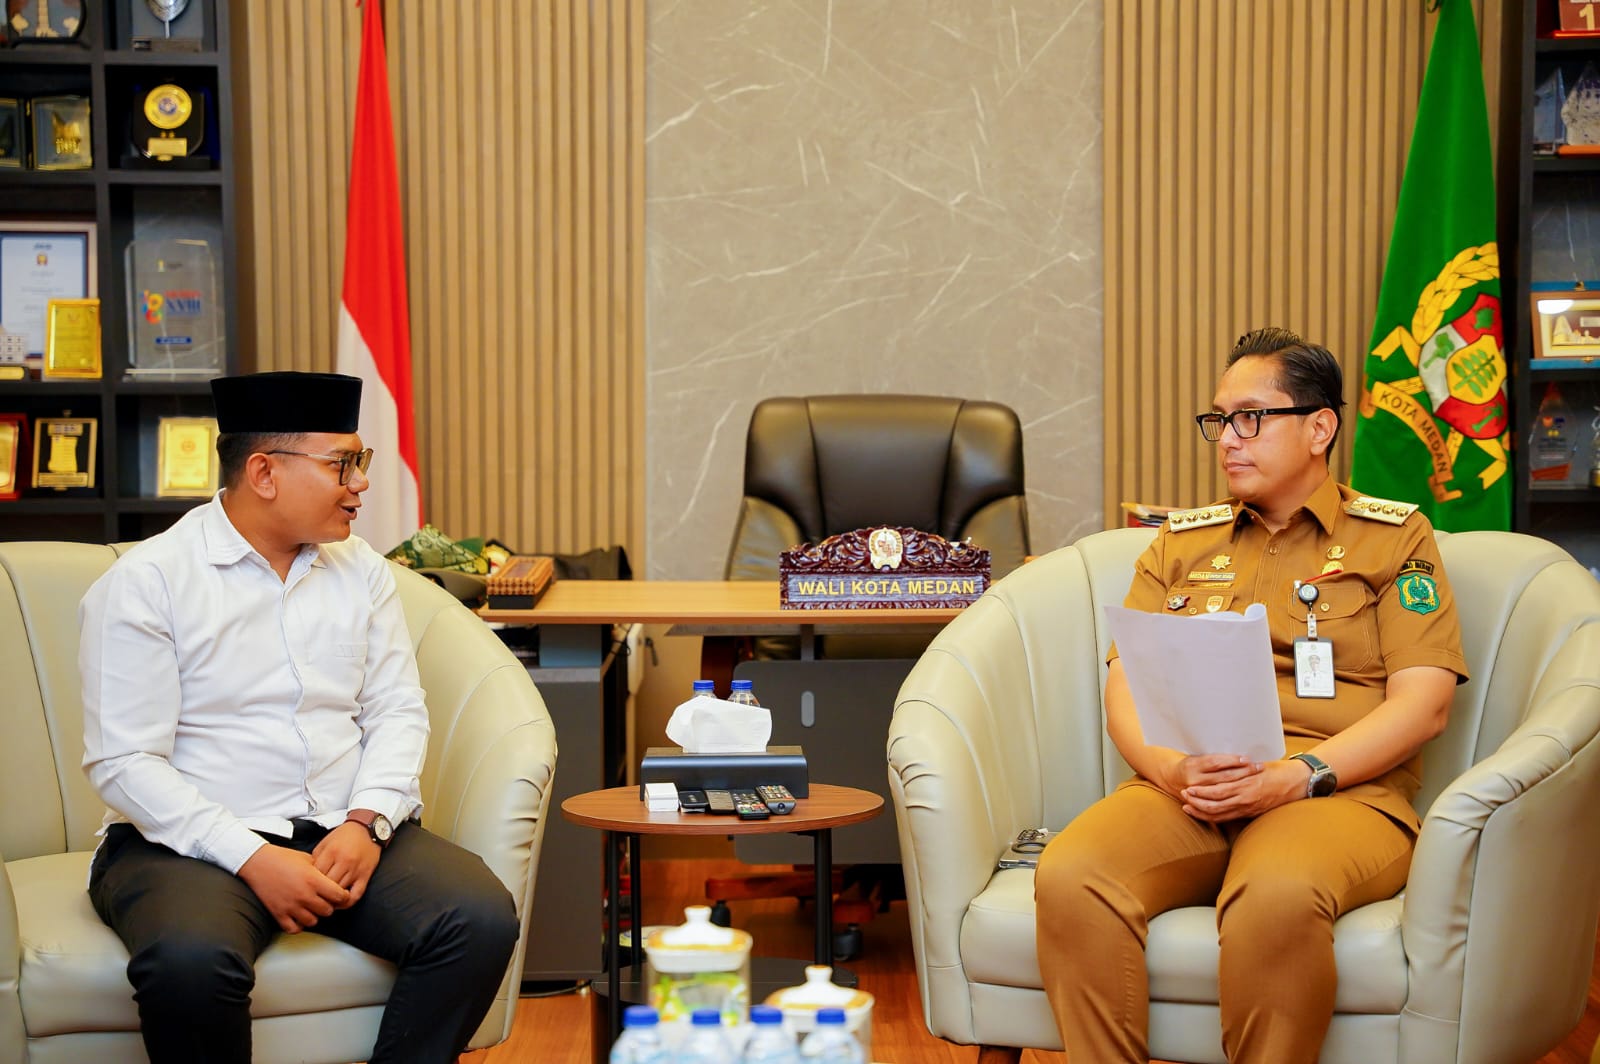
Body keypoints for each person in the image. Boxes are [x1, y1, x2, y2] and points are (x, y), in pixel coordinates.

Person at [1034, 329, 1469, 1063]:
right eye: (1219, 419)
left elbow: (1424, 704)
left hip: (1337, 792)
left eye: (1251, 418)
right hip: (1191, 786)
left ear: (1319, 428)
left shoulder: (1394, 539)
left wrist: (1298, 776)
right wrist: (1173, 771)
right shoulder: (1179, 544)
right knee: (1073, 874)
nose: (1228, 439)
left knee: (1276, 893)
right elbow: (1126, 689)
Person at [79, 371, 519, 1064]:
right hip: (185, 844)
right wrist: (252, 857)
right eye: (342, 464)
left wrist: (368, 822)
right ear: (264, 472)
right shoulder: (148, 582)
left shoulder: (361, 570)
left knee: (479, 917)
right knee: (190, 964)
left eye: (360, 461)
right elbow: (124, 762)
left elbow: (397, 709)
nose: (360, 483)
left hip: (342, 828)